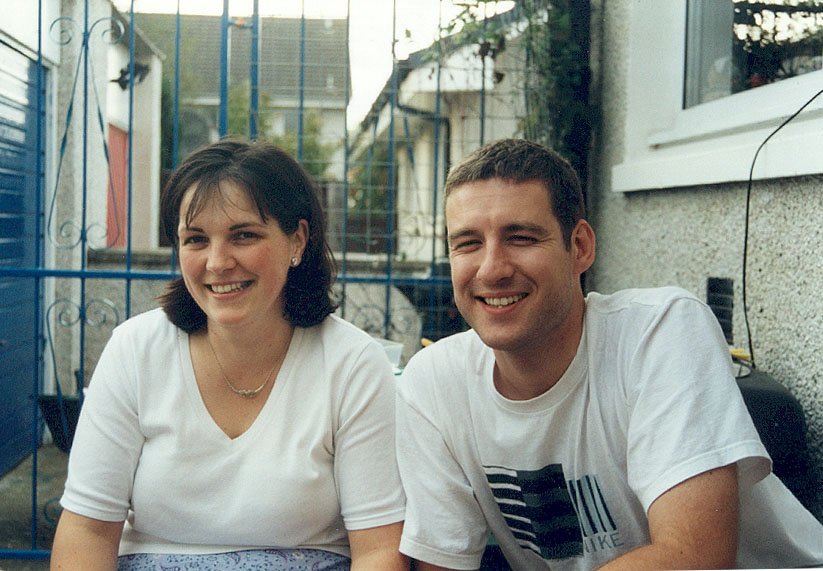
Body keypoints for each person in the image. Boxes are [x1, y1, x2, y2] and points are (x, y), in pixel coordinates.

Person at [394, 138, 823, 570]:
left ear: (579, 246)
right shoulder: (432, 384)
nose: (491, 268)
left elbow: (694, 558)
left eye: (520, 237)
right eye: (467, 244)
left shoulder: (660, 330)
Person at [52, 139, 407, 570]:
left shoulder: (352, 364)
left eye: (244, 235)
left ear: (297, 240)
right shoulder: (135, 351)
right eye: (196, 239)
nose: (217, 262)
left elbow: (379, 549)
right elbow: (86, 530)